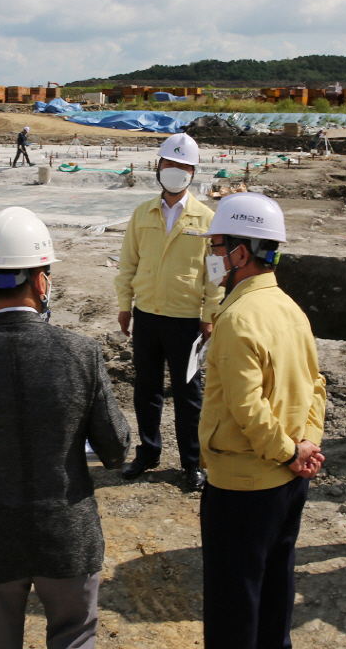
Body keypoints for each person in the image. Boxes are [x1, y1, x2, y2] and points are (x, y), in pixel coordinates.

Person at [0, 207, 131, 649]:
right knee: (74, 637)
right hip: (68, 536)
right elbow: (116, 450)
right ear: (41, 279)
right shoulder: (82, 354)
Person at [197, 192, 326, 649]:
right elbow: (317, 387)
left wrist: (291, 451)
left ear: (240, 252)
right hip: (289, 483)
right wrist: (306, 447)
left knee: (234, 604)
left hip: (243, 486)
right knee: (274, 592)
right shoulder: (290, 308)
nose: (211, 257)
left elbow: (246, 407)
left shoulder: (237, 317)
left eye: (216, 247)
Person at [116, 132, 222, 491]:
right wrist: (124, 306)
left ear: (193, 171)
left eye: (182, 166)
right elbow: (127, 264)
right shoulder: (141, 213)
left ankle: (192, 463)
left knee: (189, 393)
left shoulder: (207, 219)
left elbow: (215, 276)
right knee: (146, 389)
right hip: (146, 315)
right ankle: (148, 452)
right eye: (169, 164)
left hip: (186, 320)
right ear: (158, 167)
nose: (174, 171)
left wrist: (209, 316)